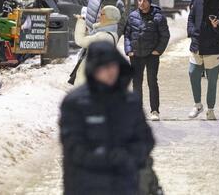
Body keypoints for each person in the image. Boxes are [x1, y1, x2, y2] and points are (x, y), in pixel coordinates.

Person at [60, 41, 155, 195]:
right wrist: (109, 158)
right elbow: (74, 148)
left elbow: (145, 139)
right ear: (93, 69)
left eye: (112, 65)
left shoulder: (130, 101)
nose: (110, 72)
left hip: (124, 184)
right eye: (103, 67)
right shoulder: (75, 103)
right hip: (86, 186)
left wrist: (129, 157)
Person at [124, 0, 170, 121]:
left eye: (144, 1)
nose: (141, 3)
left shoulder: (158, 17)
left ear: (149, 2)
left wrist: (158, 50)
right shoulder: (132, 16)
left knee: (152, 82)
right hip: (136, 55)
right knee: (136, 83)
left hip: (151, 55)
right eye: (139, 1)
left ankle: (154, 110)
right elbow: (127, 35)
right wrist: (129, 50)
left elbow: (165, 35)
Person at [186, 0, 219, 120]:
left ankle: (210, 109)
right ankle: (197, 104)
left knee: (212, 80)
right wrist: (191, 31)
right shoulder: (197, 0)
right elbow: (191, 17)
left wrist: (217, 27)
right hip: (196, 45)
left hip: (213, 47)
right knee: (193, 73)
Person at [70, 5, 122, 85]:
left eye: (102, 14)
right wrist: (87, 33)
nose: (99, 16)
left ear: (109, 17)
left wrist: (81, 21)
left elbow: (80, 41)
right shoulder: (112, 33)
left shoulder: (103, 35)